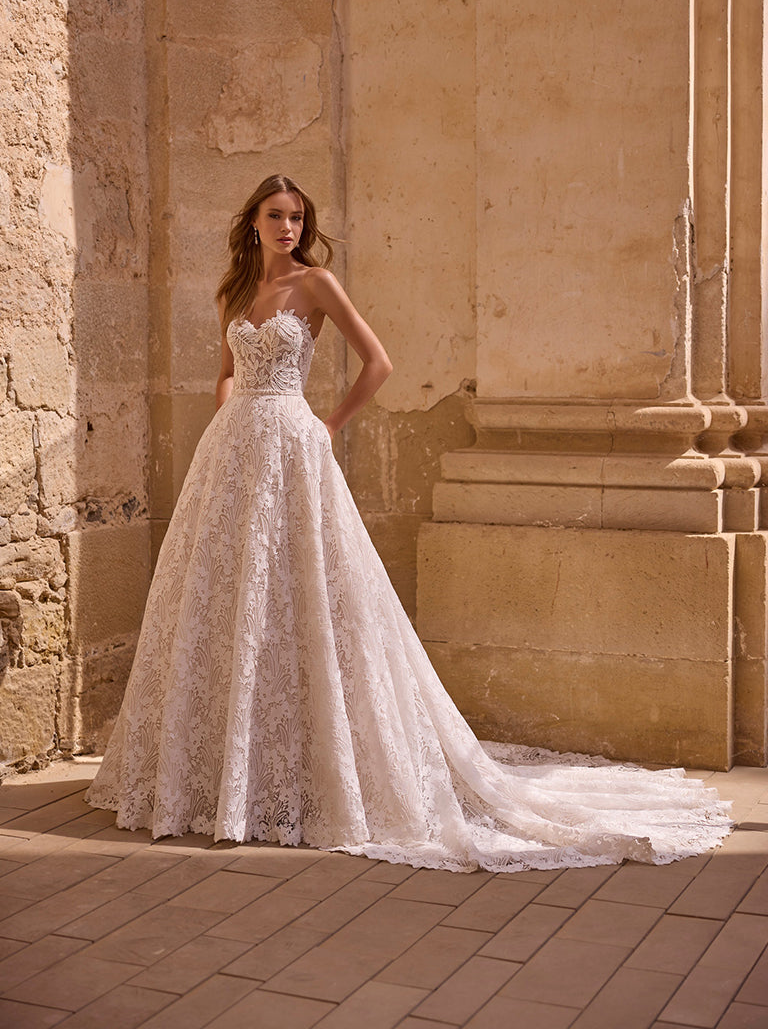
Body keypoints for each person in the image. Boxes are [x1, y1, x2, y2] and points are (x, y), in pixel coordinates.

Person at [87, 174, 732, 872]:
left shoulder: (316, 284)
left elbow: (380, 363)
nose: (288, 228)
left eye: (297, 217)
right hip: (233, 454)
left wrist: (326, 424)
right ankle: (225, 775)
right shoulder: (233, 292)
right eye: (276, 216)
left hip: (293, 447)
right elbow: (224, 371)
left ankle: (312, 773)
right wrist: (228, 422)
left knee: (309, 595)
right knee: (230, 598)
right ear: (253, 223)